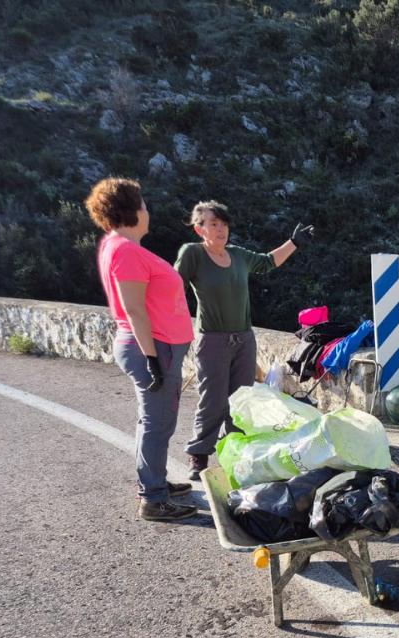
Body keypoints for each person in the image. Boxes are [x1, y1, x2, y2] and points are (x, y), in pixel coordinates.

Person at [84, 177, 198, 522]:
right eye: (143, 204)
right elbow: (134, 309)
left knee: (154, 421)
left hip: (157, 346)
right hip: (153, 347)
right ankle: (153, 498)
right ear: (130, 209)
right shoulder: (125, 250)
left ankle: (156, 482)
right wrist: (152, 358)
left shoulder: (116, 245)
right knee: (157, 423)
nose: (147, 210)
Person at [175, 201, 313, 479]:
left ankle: (235, 451)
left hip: (244, 339)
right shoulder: (193, 254)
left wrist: (293, 243)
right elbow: (172, 284)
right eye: (214, 224)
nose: (221, 230)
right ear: (199, 228)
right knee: (212, 400)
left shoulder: (237, 255)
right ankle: (198, 455)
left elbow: (266, 262)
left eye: (224, 224)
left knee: (242, 400)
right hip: (212, 340)